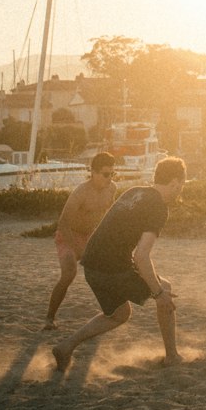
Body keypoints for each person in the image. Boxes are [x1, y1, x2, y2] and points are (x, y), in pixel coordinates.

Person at [51, 156, 187, 372]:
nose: (181, 190)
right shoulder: (158, 207)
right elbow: (141, 257)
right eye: (181, 186)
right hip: (111, 266)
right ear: (175, 183)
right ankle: (172, 356)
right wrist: (159, 293)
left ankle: (66, 346)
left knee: (119, 314)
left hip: (91, 264)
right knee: (166, 289)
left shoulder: (133, 191)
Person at [42, 151, 118, 329]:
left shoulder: (111, 188)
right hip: (68, 235)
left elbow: (110, 214)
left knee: (107, 273)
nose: (109, 178)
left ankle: (111, 312)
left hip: (91, 235)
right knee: (69, 274)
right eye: (106, 174)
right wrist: (78, 249)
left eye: (112, 174)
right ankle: (49, 318)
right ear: (93, 172)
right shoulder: (81, 192)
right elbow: (63, 223)